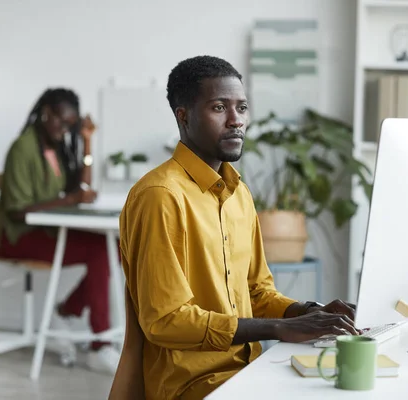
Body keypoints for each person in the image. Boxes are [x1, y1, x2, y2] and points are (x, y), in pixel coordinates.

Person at [119, 56, 361, 400]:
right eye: (219, 108)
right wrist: (281, 328)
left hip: (249, 372)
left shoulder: (239, 195)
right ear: (183, 116)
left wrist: (309, 312)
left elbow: (256, 294)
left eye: (242, 108)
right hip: (193, 386)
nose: (236, 121)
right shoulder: (160, 196)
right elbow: (166, 321)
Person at [0, 88, 120, 375]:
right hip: (14, 236)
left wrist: (87, 142)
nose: (65, 129)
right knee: (99, 251)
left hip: (45, 231)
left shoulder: (55, 147)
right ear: (46, 113)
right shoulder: (23, 148)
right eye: (61, 121)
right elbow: (16, 210)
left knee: (116, 248)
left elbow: (79, 188)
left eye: (71, 125)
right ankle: (100, 346)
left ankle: (68, 311)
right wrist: (70, 201)